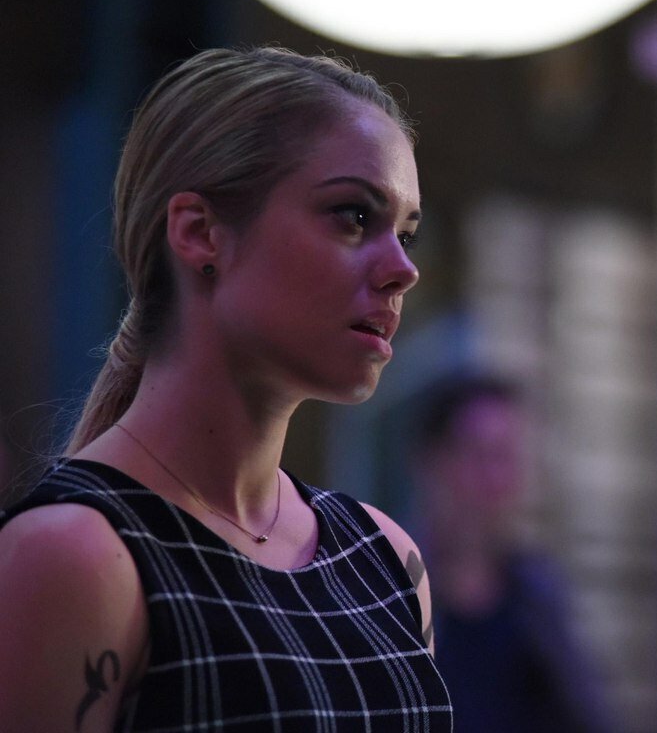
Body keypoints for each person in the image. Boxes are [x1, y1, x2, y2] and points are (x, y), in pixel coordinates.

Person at [0, 47, 452, 731]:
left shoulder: (387, 559)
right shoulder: (73, 555)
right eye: (354, 216)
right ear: (199, 232)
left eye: (406, 233)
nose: (402, 269)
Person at [411, 374, 614, 733]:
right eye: (480, 456)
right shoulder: (389, 591)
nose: (496, 481)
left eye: (508, 459)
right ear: (433, 461)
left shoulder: (538, 594)